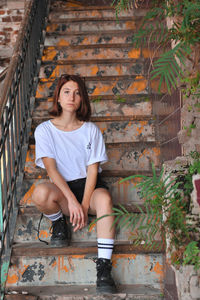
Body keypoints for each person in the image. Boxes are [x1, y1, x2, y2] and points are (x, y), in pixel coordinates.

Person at [32, 74, 117, 293]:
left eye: (77, 93)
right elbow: (51, 170)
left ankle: (104, 268)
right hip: (62, 191)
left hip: (90, 187)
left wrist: (84, 203)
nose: (72, 97)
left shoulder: (91, 131)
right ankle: (59, 223)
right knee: (40, 193)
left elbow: (92, 170)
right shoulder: (44, 130)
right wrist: (71, 200)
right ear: (58, 98)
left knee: (105, 199)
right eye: (67, 92)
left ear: (82, 100)